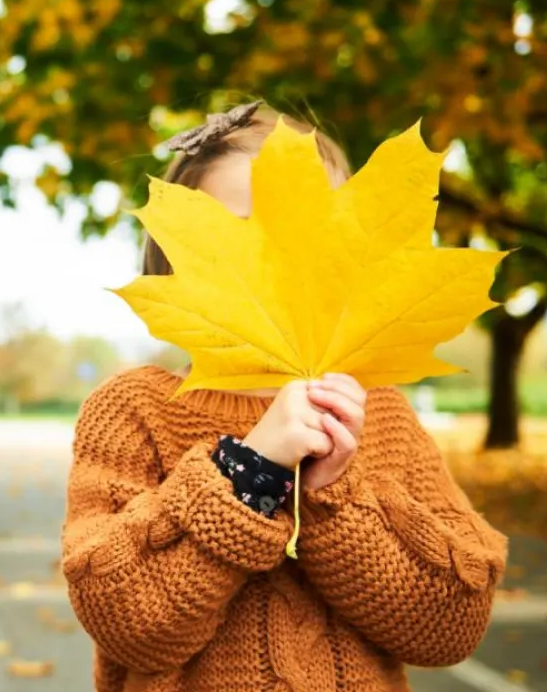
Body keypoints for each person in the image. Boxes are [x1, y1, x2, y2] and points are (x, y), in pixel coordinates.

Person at [61, 101, 508, 692]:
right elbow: (127, 624)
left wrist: (336, 500)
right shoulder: (134, 409)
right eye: (244, 236)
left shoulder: (382, 416)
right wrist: (249, 473)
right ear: (174, 261)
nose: (278, 261)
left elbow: (452, 624)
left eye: (309, 234)